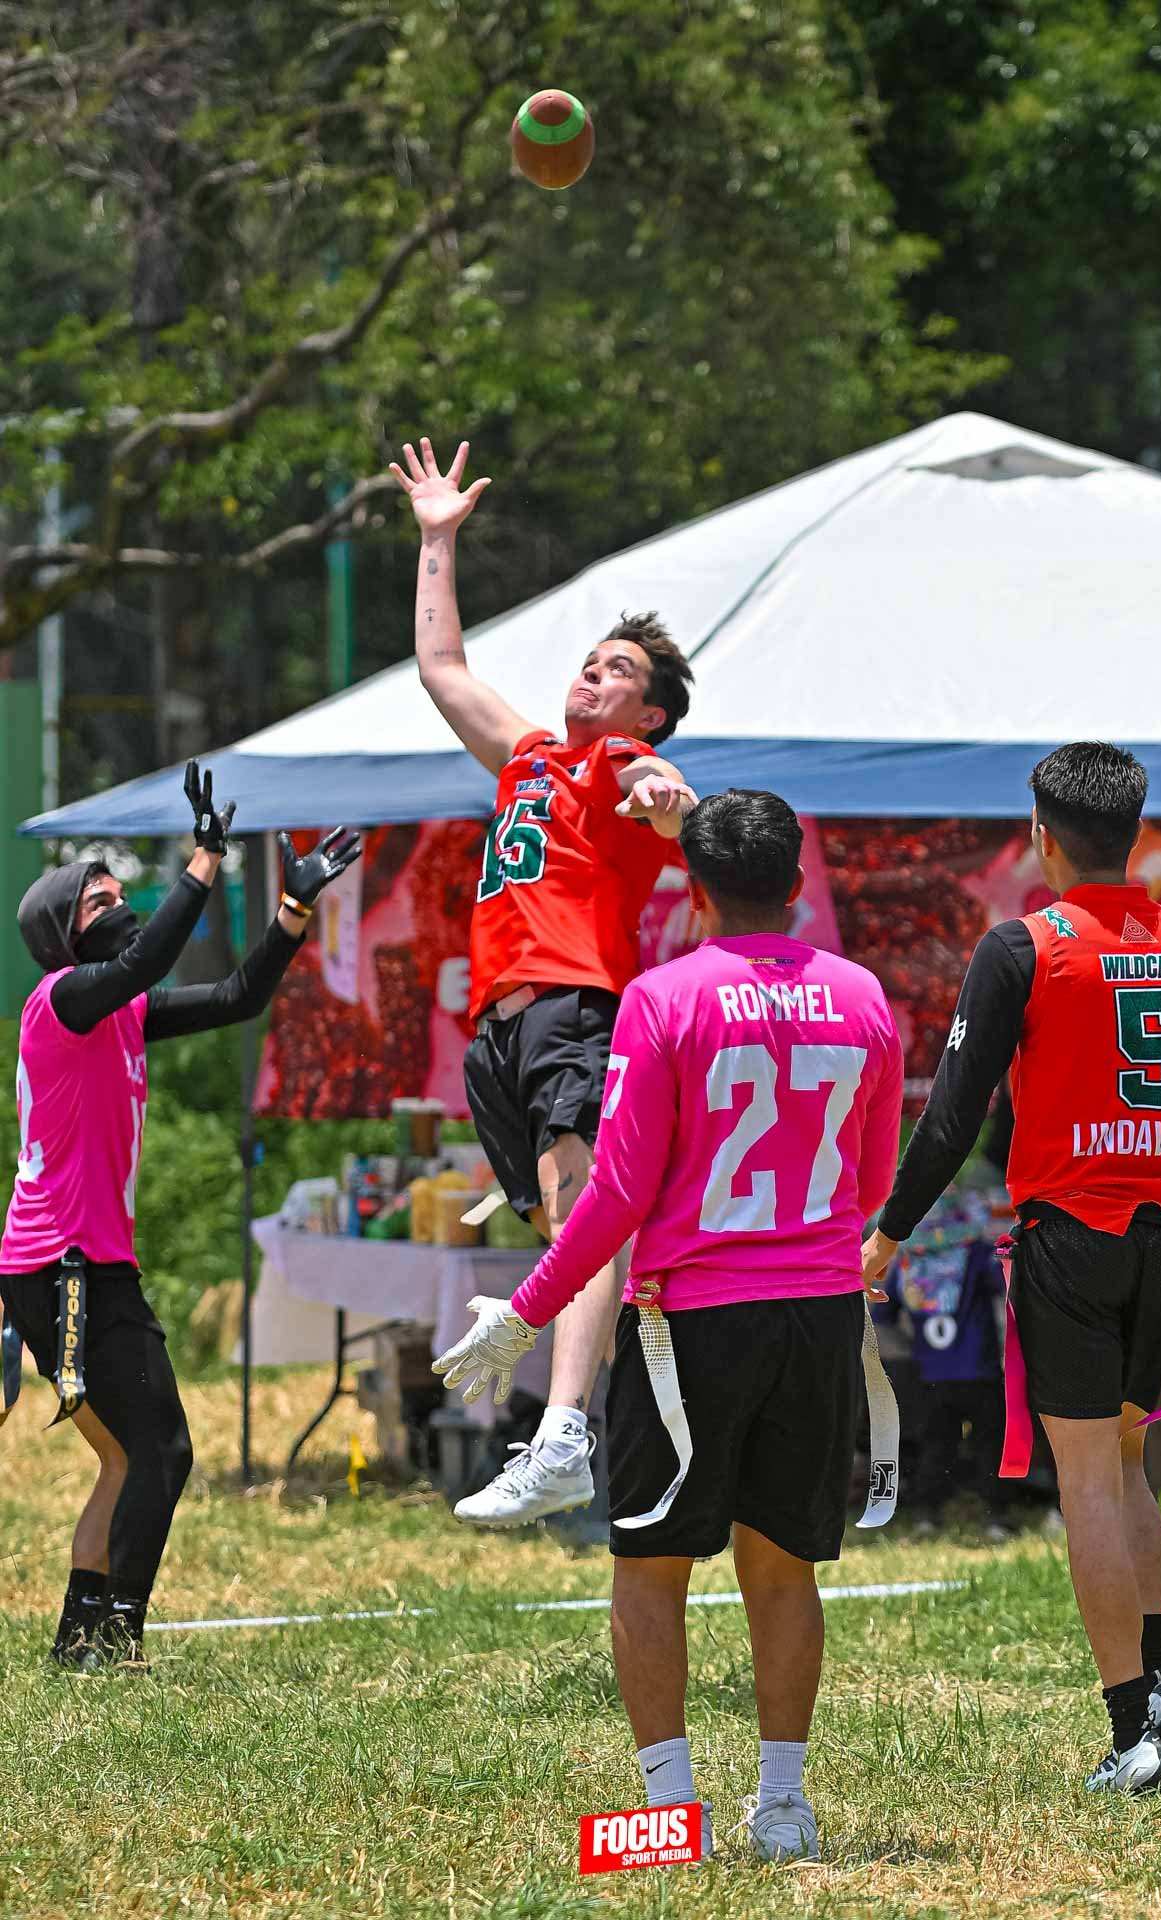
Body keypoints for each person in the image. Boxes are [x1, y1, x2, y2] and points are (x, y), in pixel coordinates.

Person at [433, 790, 904, 1861]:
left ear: (691, 891)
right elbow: (871, 1179)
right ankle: (782, 1809)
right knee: (782, 1567)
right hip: (817, 1318)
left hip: (686, 1327)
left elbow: (614, 1195)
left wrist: (524, 1314)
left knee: (650, 1566)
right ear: (797, 884)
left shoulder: (660, 997)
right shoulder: (863, 996)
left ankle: (668, 1814)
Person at [862, 742, 1161, 1794]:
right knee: (1124, 1462)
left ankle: (1132, 1734)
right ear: (1135, 833)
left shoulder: (1023, 947)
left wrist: (887, 1235)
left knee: (1086, 1476)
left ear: (1041, 836)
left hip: (1071, 1237)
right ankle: (1158, 1690)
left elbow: (953, 1117)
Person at [390, 434, 697, 1528]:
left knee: (584, 1221)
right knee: (569, 1235)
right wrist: (437, 539)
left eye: (618, 671)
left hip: (574, 1006)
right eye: (591, 659)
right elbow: (441, 669)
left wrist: (669, 801)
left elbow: (672, 798)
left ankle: (565, 1432)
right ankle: (638, 1407)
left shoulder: (618, 763)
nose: (592, 673)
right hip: (499, 1030)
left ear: (647, 712)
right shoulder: (529, 755)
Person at [0, 763, 360, 1670]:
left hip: (78, 1265)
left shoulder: (119, 1015)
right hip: (62, 1265)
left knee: (133, 1458)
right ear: (64, 935)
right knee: (160, 1449)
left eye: (123, 894)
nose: (121, 906)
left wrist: (293, 912)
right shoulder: (61, 1003)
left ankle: (84, 1642)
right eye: (101, 901)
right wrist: (205, 860)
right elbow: (146, 959)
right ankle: (115, 1638)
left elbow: (239, 996)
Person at [878, 1194, 1011, 1538]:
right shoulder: (975, 1252)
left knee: (936, 1445)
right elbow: (1003, 1283)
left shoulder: (909, 1260)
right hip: (978, 1369)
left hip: (931, 1372)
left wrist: (913, 1346)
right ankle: (995, 1516)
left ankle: (927, 1513)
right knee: (990, 1444)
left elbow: (884, 1313)